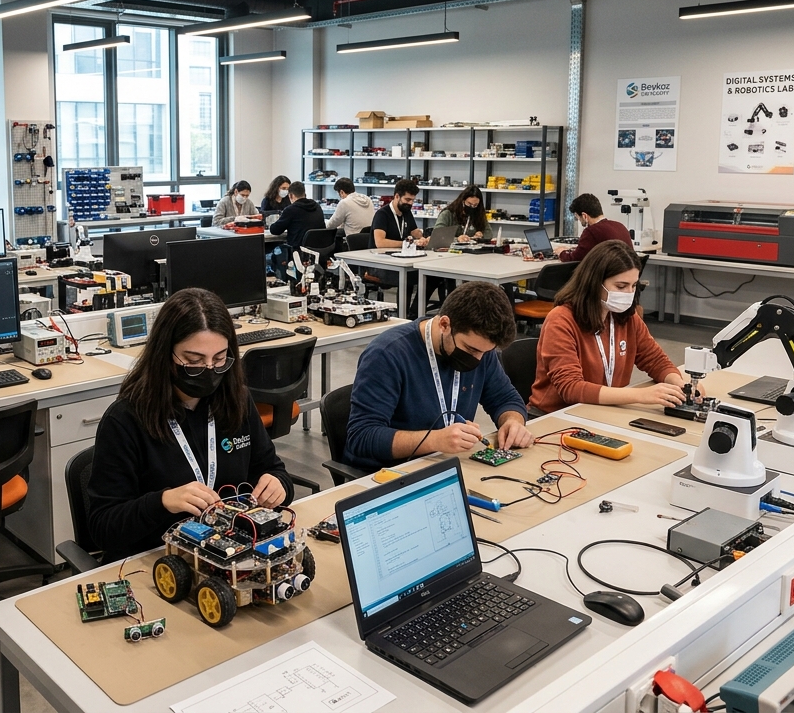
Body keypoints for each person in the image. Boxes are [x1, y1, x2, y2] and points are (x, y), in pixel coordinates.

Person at [87, 288, 294, 561]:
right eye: (194, 361)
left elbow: (274, 471)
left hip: (227, 553)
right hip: (156, 559)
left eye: (219, 359)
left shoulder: (236, 400)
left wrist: (278, 484)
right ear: (165, 354)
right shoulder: (125, 420)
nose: (209, 370)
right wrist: (162, 502)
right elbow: (103, 528)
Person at [345, 281, 533, 471]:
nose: (478, 359)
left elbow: (505, 398)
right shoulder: (387, 354)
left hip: (447, 463)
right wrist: (434, 440)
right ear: (444, 324)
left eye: (486, 352)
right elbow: (362, 437)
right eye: (471, 349)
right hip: (390, 474)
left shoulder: (481, 349)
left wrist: (513, 422)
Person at [530, 240, 695, 415]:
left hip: (603, 410)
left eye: (633, 286)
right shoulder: (561, 320)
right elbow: (571, 388)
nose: (629, 293)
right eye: (621, 286)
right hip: (557, 415)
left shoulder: (626, 317)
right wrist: (640, 395)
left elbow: (655, 360)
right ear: (595, 282)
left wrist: (678, 383)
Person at [558, 193, 635, 262]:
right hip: (627, 274)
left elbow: (575, 258)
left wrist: (561, 253)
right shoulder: (620, 226)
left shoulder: (591, 231)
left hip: (608, 276)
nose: (578, 220)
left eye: (578, 217)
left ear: (584, 216)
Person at [269, 181, 325, 251]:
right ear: (304, 194)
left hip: (298, 251)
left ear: (291, 195)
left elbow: (275, 230)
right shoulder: (317, 206)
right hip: (319, 249)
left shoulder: (291, 210)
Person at [371, 179, 426, 249]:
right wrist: (406, 243)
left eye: (413, 200)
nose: (411, 203)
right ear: (397, 196)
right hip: (380, 256)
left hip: (400, 254)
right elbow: (380, 242)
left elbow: (415, 232)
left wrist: (424, 239)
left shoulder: (406, 211)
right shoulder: (382, 214)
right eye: (407, 199)